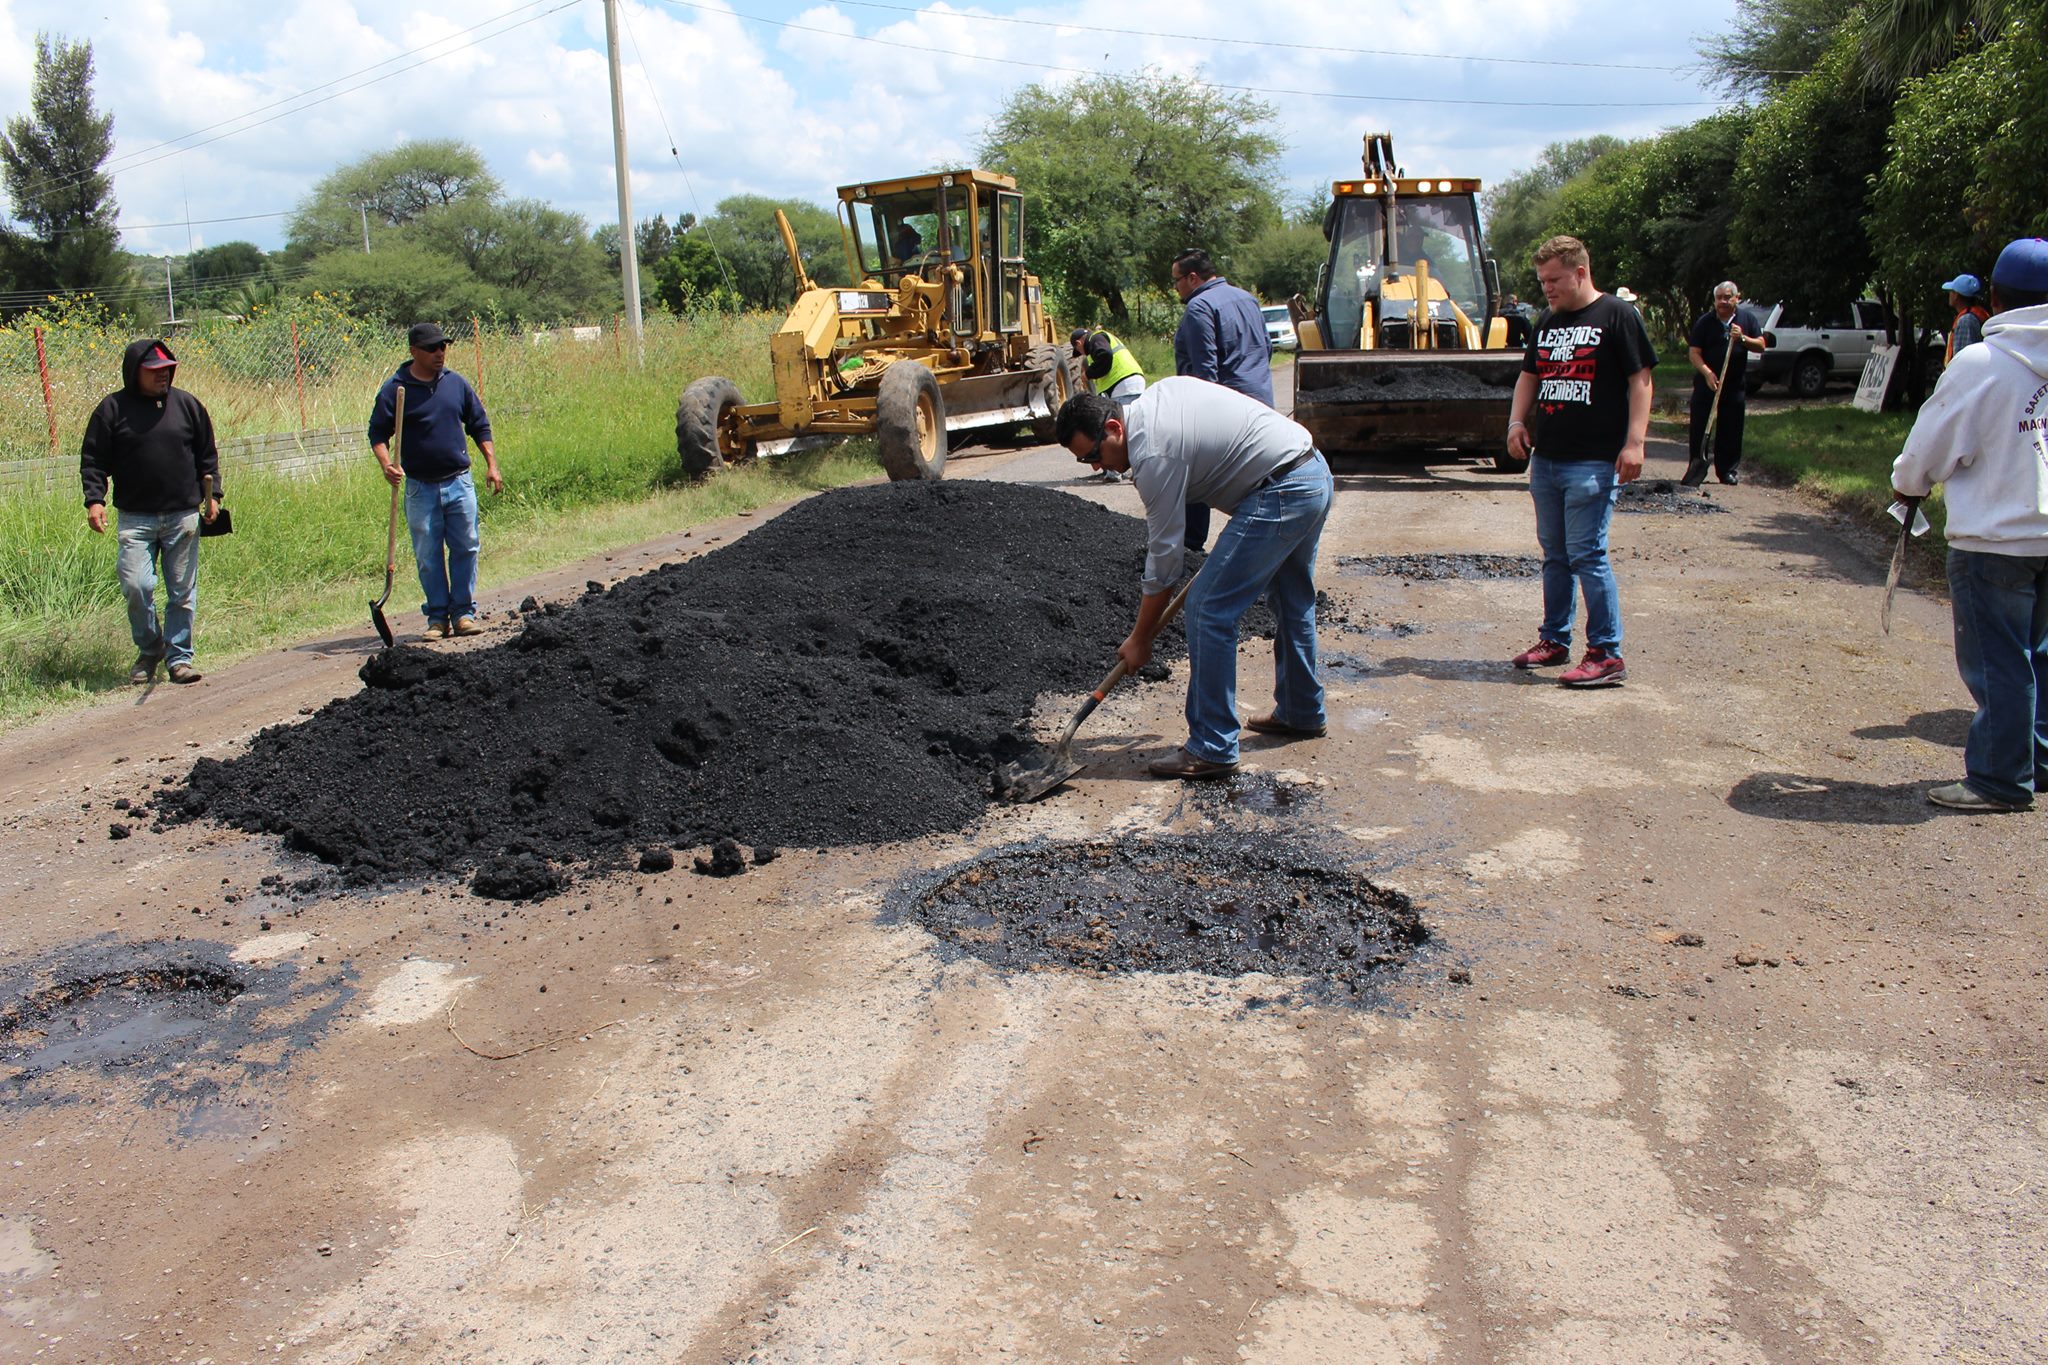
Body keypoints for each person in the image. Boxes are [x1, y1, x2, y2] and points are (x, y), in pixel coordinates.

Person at [1055, 380, 1332, 780]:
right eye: (1086, 462)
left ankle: (1213, 746)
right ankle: (1302, 709)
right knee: (1291, 598)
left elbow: (1165, 561)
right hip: (1310, 471)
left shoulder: (1153, 454)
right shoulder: (1155, 402)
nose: (1096, 467)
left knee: (1208, 607)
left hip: (1281, 488)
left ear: (1114, 428)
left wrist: (1141, 638)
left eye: (1094, 455)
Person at [1890, 237, 2048, 813]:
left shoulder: (1982, 363)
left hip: (1995, 541)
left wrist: (1908, 486)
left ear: (1996, 297)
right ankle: (2038, 762)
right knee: (2041, 655)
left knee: (1999, 661)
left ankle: (1999, 781)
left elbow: (1927, 448)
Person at [1503, 235, 1658, 688]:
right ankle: (1554, 640)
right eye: (1542, 281)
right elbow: (1529, 375)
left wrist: (1635, 443)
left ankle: (1607, 654)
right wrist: (1515, 423)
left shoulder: (1617, 315)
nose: (1546, 289)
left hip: (1593, 462)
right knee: (1555, 556)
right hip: (1548, 460)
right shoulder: (1548, 320)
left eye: (1554, 280)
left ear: (1581, 273)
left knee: (1588, 555)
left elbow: (1641, 381)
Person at [80, 339, 224, 685]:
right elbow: (94, 460)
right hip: (135, 518)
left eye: (167, 370)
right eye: (155, 371)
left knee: (182, 593)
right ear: (135, 373)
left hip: (183, 516)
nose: (164, 376)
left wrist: (214, 494)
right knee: (136, 585)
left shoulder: (187, 405)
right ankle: (150, 648)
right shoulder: (111, 410)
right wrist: (94, 499)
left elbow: (207, 454)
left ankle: (179, 659)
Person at [368, 322, 502, 639]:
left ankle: (464, 614)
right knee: (428, 555)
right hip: (419, 487)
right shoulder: (396, 389)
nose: (439, 353)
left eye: (443, 346)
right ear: (414, 351)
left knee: (466, 546)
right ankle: (437, 618)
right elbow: (377, 434)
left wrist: (492, 464)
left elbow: (479, 425)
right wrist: (387, 464)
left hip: (459, 482)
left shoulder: (456, 384)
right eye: (432, 348)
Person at [1170, 248, 1274, 554]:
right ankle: (1261, 549)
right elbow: (1265, 349)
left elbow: (1206, 373)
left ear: (1192, 277)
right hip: (1261, 403)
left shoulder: (1199, 307)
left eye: (1177, 280)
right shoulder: (1246, 298)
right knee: (1257, 480)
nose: (1175, 287)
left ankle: (1190, 548)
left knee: (1193, 472)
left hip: (1227, 408)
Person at [1683, 281, 1767, 486]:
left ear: (1736, 298)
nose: (1723, 301)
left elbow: (1761, 345)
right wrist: (1707, 373)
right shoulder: (1705, 322)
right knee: (1700, 425)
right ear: (1714, 300)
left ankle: (1727, 470)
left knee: (1731, 427)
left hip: (1734, 384)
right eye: (1719, 297)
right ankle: (1696, 465)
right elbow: (1694, 353)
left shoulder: (1746, 319)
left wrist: (1743, 339)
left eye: (1727, 297)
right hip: (1708, 383)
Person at [1069, 325, 1146, 483]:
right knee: (1133, 427)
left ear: (1078, 343)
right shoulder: (1101, 338)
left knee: (1118, 428)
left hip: (1123, 384)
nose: (1082, 354)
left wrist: (1088, 374)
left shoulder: (1095, 339)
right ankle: (1136, 468)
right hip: (1131, 381)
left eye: (1079, 351)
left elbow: (1105, 356)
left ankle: (1115, 472)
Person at [1941, 271, 1990, 366]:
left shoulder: (1966, 321)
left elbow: (1963, 361)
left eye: (1951, 291)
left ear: (1956, 296)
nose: (1949, 294)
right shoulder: (1974, 315)